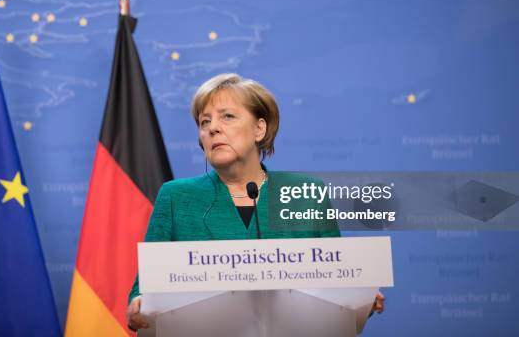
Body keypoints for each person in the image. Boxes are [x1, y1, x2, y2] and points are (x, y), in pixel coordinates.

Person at [127, 73, 384, 331]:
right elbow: (145, 288)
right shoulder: (176, 197)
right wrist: (139, 304)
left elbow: (337, 283)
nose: (212, 127)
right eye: (205, 122)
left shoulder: (306, 193)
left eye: (227, 116)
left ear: (259, 129)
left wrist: (362, 296)